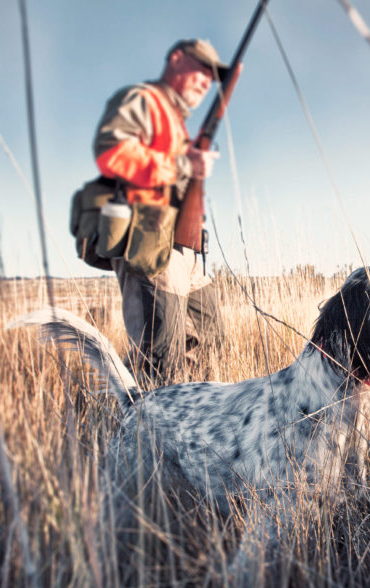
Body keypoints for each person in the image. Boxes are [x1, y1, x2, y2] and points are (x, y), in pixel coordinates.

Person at [92, 39, 226, 385]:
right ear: (176, 59)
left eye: (212, 77)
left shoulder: (175, 121)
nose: (206, 81)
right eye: (200, 69)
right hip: (151, 242)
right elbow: (112, 152)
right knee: (160, 361)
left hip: (188, 249)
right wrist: (183, 164)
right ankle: (145, 436)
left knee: (210, 343)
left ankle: (195, 431)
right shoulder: (143, 100)